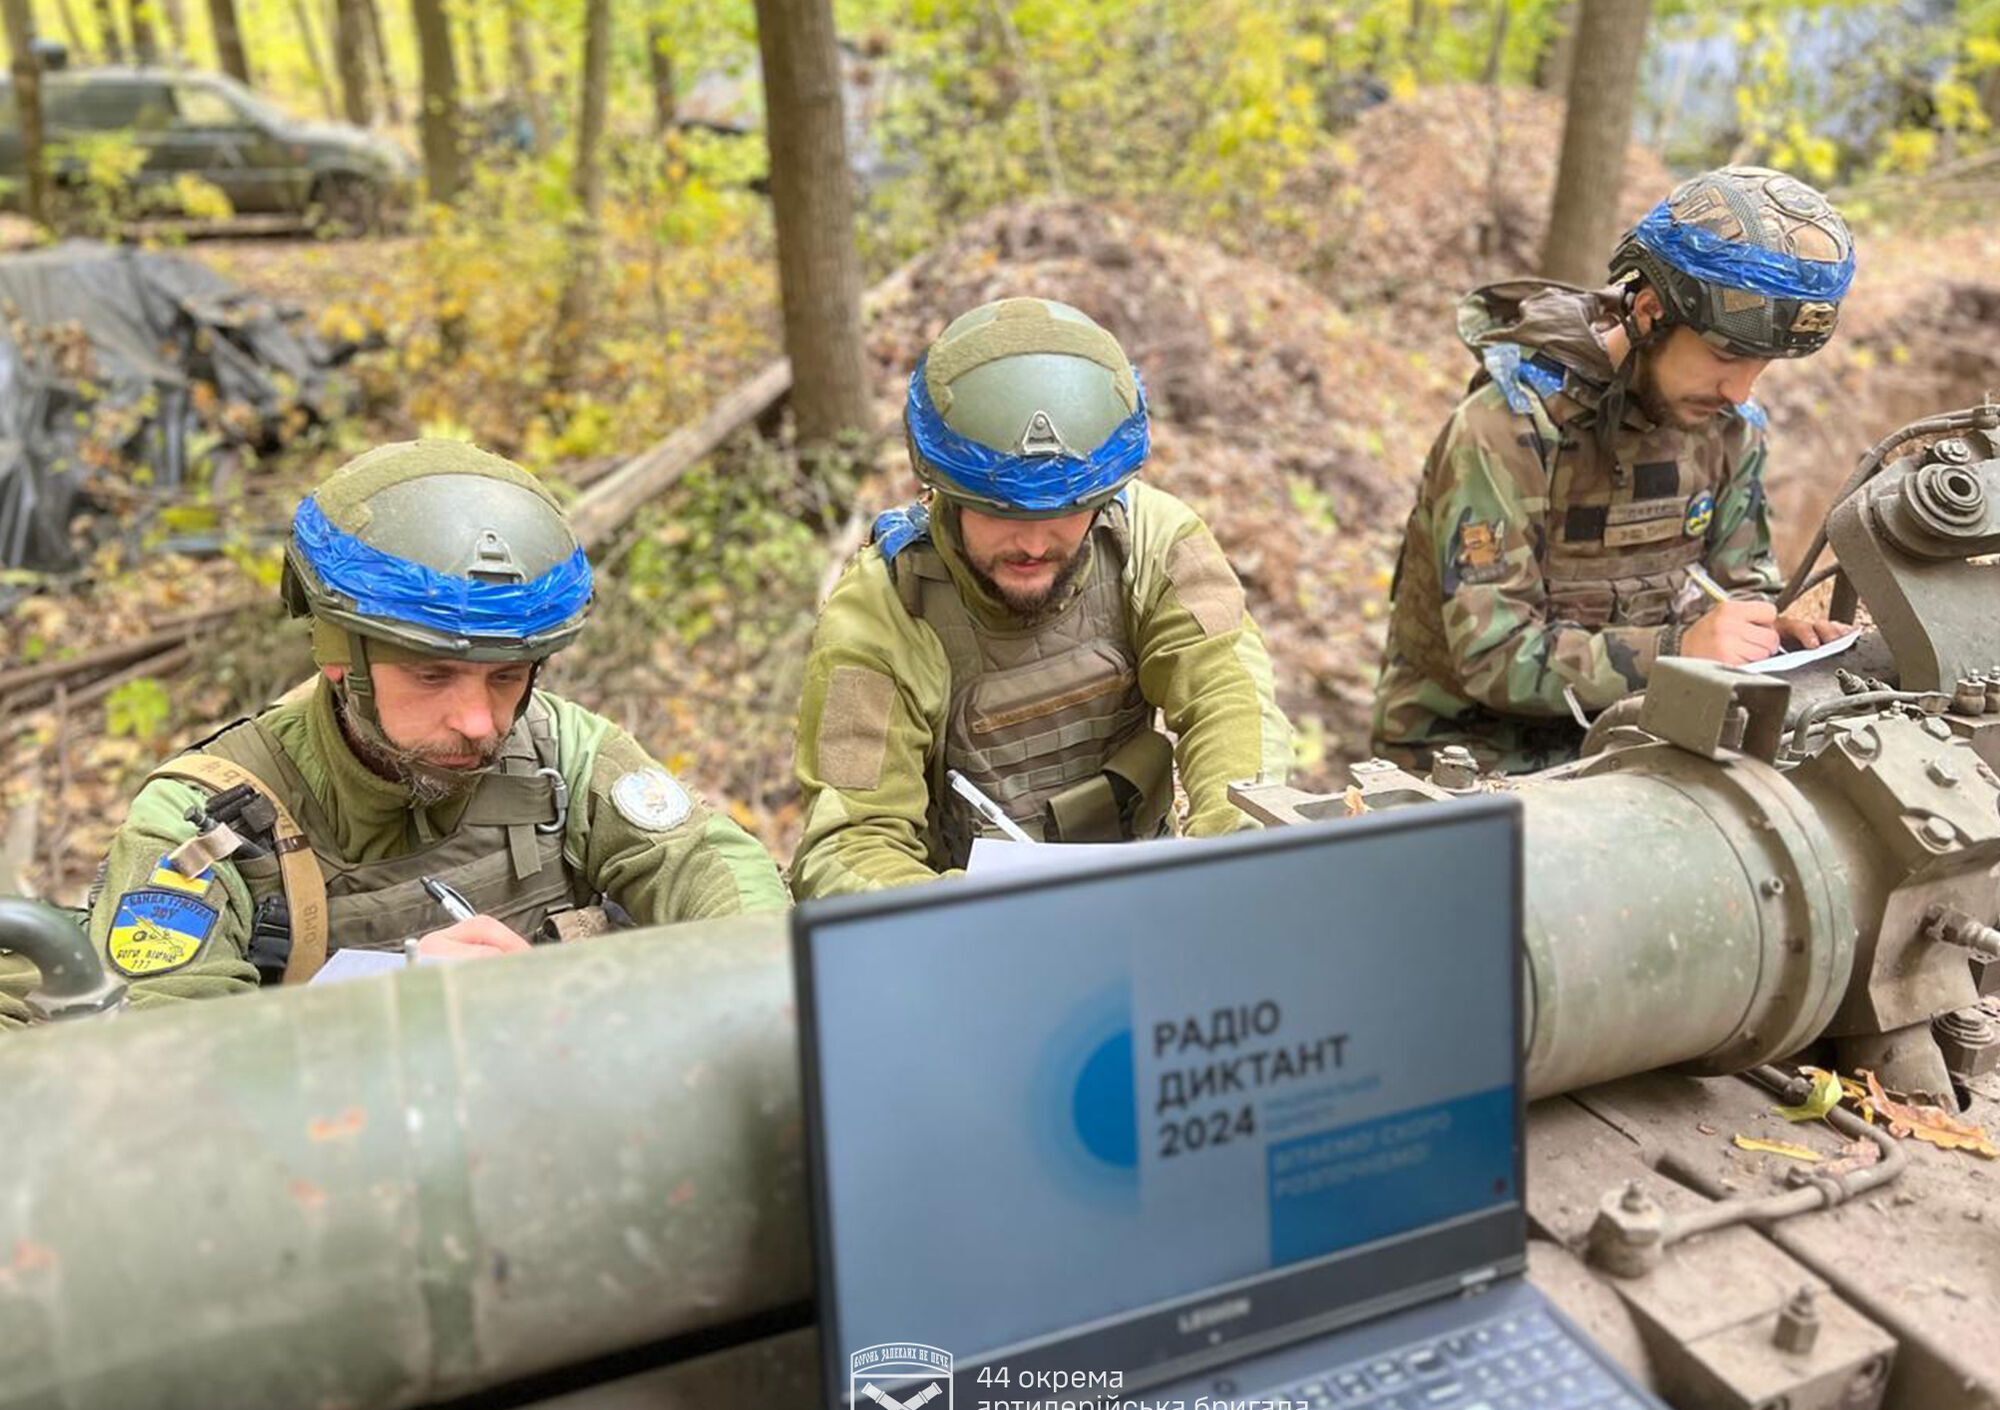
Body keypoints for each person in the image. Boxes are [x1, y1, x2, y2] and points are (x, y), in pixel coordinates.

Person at [87, 439, 787, 1007]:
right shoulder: (203, 823)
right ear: (340, 657)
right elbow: (156, 1052)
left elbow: (722, 880)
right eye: (432, 676)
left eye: (507, 676)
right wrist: (379, 999)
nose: (481, 722)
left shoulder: (559, 752)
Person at [791, 296, 1292, 898]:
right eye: (998, 512)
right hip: (973, 926)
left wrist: (1226, 858)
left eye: (1065, 509)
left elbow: (1230, 699)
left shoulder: (1156, 543)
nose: (1032, 542)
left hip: (1150, 887)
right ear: (943, 489)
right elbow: (852, 840)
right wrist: (987, 919)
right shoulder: (882, 612)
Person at [1371, 165, 1858, 773]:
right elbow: (1493, 658)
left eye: (1762, 366)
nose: (1739, 390)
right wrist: (1678, 650)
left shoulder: (1730, 428)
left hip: (1638, 740)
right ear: (1651, 312)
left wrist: (1770, 634)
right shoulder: (1507, 428)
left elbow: (1737, 586)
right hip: (1467, 759)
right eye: (1726, 355)